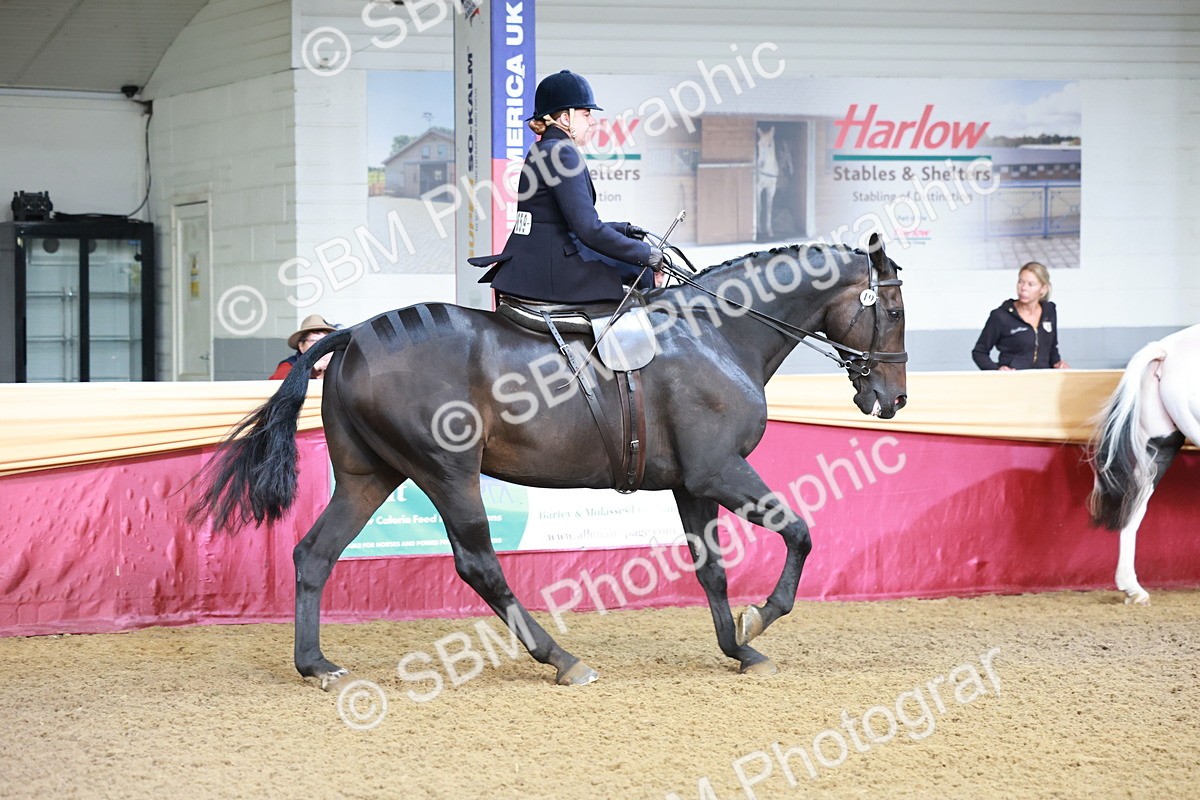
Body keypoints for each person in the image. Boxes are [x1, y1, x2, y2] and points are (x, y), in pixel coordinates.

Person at [469, 69, 666, 304]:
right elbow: (588, 230)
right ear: (565, 118)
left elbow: (559, 221)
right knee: (641, 271)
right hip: (552, 268)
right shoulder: (562, 152)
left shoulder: (544, 148)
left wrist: (624, 230)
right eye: (586, 114)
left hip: (536, 259)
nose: (592, 122)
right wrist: (646, 254)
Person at [972, 261, 1070, 370]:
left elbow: (1051, 348)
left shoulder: (1049, 312)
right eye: (1020, 282)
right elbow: (979, 352)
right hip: (1013, 378)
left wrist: (1058, 363)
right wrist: (996, 369)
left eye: (1031, 284)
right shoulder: (1000, 316)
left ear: (1043, 289)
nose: (1023, 288)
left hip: (1043, 377)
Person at [269, 314, 336, 379]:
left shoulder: (335, 364)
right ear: (301, 346)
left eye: (325, 341)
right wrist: (313, 369)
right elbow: (278, 384)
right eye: (314, 341)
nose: (321, 346)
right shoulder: (289, 365)